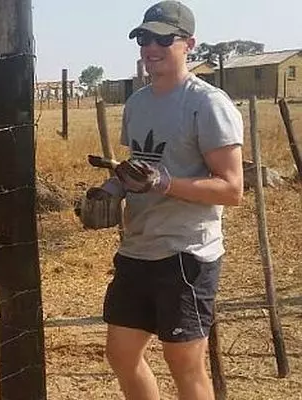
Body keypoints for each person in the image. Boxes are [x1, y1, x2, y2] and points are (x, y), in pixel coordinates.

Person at [99, 2, 244, 400]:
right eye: (145, 38)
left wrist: (165, 184)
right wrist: (110, 191)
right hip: (137, 250)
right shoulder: (137, 103)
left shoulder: (207, 104)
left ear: (189, 45)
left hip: (186, 254)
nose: (151, 47)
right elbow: (138, 169)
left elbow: (232, 189)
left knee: (184, 364)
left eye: (164, 38)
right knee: (121, 355)